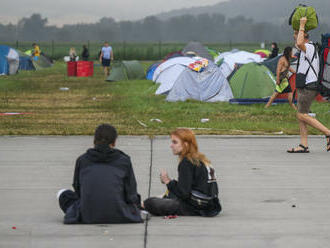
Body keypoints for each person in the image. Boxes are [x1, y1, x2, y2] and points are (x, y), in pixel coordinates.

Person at [57, 124, 143, 224]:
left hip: (88, 214)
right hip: (120, 213)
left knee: (63, 194)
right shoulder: (124, 160)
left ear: (94, 141)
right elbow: (131, 193)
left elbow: (78, 189)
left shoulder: (82, 160)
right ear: (114, 142)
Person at [143, 128, 222, 217]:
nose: (171, 145)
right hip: (211, 204)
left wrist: (168, 182)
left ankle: (142, 204)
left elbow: (183, 194)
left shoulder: (187, 162)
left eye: (175, 142)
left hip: (196, 206)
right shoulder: (202, 159)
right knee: (170, 193)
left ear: (185, 145)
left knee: (150, 203)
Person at [287, 17, 330, 153]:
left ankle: (328, 132)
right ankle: (303, 145)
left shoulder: (309, 47)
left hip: (309, 87)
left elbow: (299, 43)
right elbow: (299, 44)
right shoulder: (307, 47)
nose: (295, 36)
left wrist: (301, 25)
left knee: (301, 115)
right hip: (304, 86)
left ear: (304, 34)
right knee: (302, 115)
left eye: (296, 33)